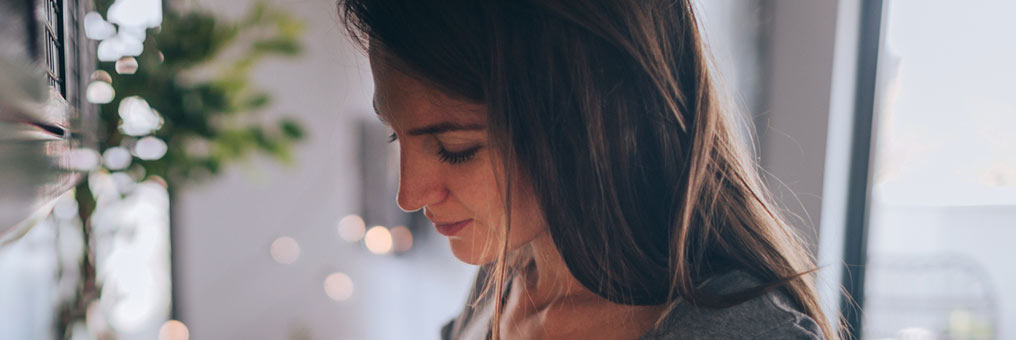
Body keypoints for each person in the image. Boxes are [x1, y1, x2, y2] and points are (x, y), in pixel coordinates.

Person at [341, 0, 836, 339]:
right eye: (395, 135)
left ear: (591, 123)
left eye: (455, 148)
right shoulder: (509, 269)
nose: (409, 195)